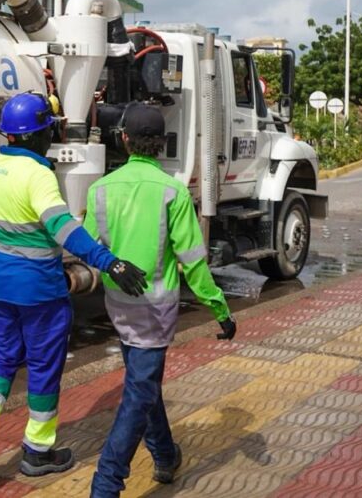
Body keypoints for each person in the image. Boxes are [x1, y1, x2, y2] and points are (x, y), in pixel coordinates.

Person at [0, 92, 147, 486]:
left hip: (0, 286)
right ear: (38, 134)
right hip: (40, 291)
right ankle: (38, 452)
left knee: (1, 359)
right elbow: (63, 230)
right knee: (44, 368)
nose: (52, 138)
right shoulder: (38, 176)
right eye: (49, 130)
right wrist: (109, 261)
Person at [84, 103, 236, 498]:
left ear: (124, 140)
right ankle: (106, 483)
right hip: (156, 313)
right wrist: (220, 309)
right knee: (139, 394)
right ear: (162, 144)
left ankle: (166, 457)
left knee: (143, 386)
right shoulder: (173, 192)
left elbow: (87, 249)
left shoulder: (99, 190)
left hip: (118, 308)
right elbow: (193, 263)